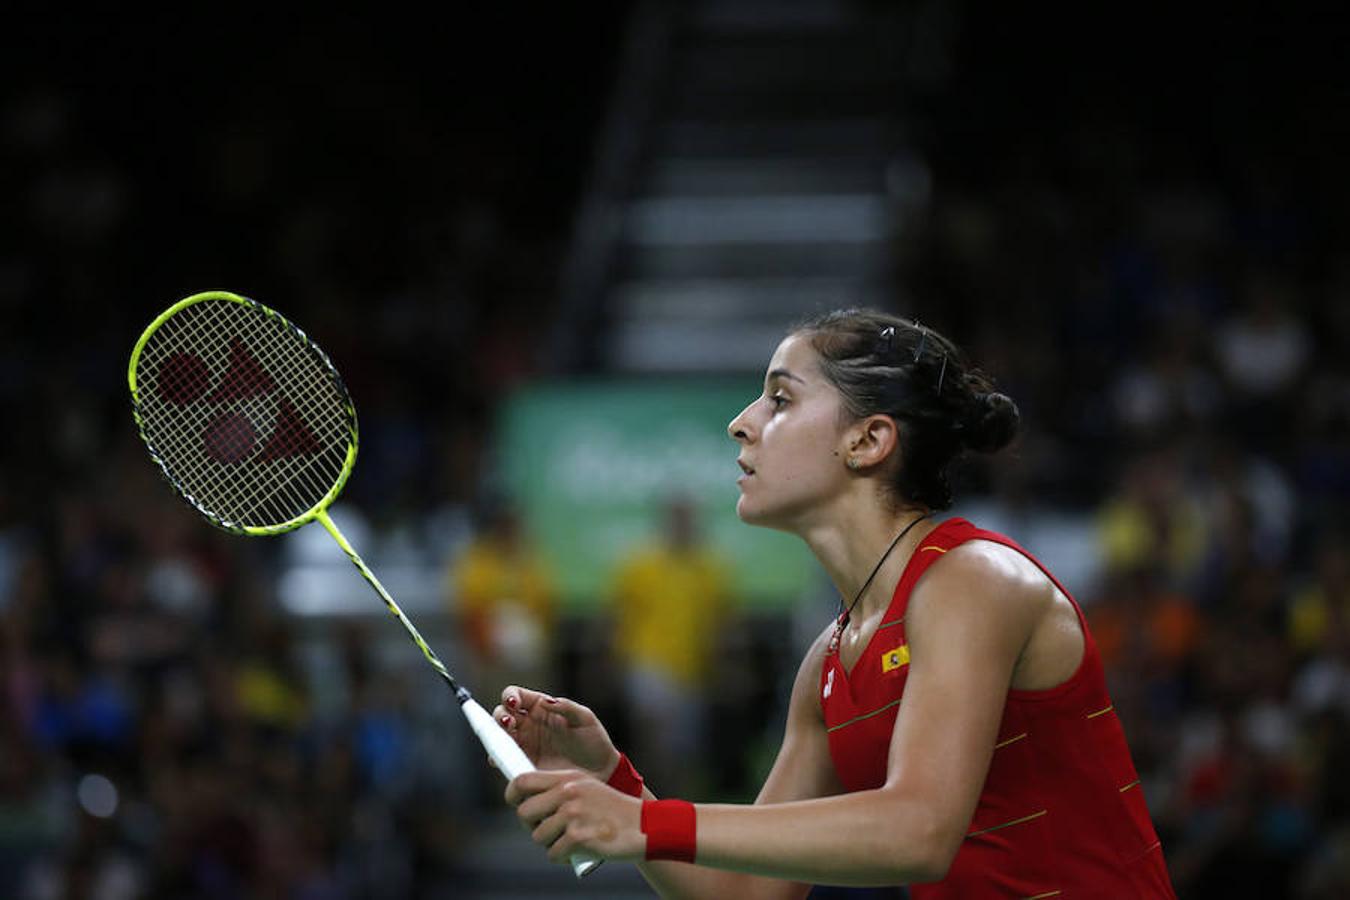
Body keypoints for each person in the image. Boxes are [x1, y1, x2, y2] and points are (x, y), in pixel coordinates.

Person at [494, 309, 1177, 897]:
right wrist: (617, 784)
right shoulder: (831, 660)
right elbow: (743, 892)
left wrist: (645, 823)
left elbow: (919, 830)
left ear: (869, 440)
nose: (740, 424)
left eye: (780, 400)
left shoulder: (975, 581)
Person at [608, 496, 735, 796]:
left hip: (692, 672)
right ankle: (650, 797)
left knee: (685, 749)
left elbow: (720, 624)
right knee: (655, 738)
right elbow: (619, 618)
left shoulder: (710, 570)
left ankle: (675, 806)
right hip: (649, 665)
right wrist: (614, 663)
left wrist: (723, 667)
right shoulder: (640, 566)